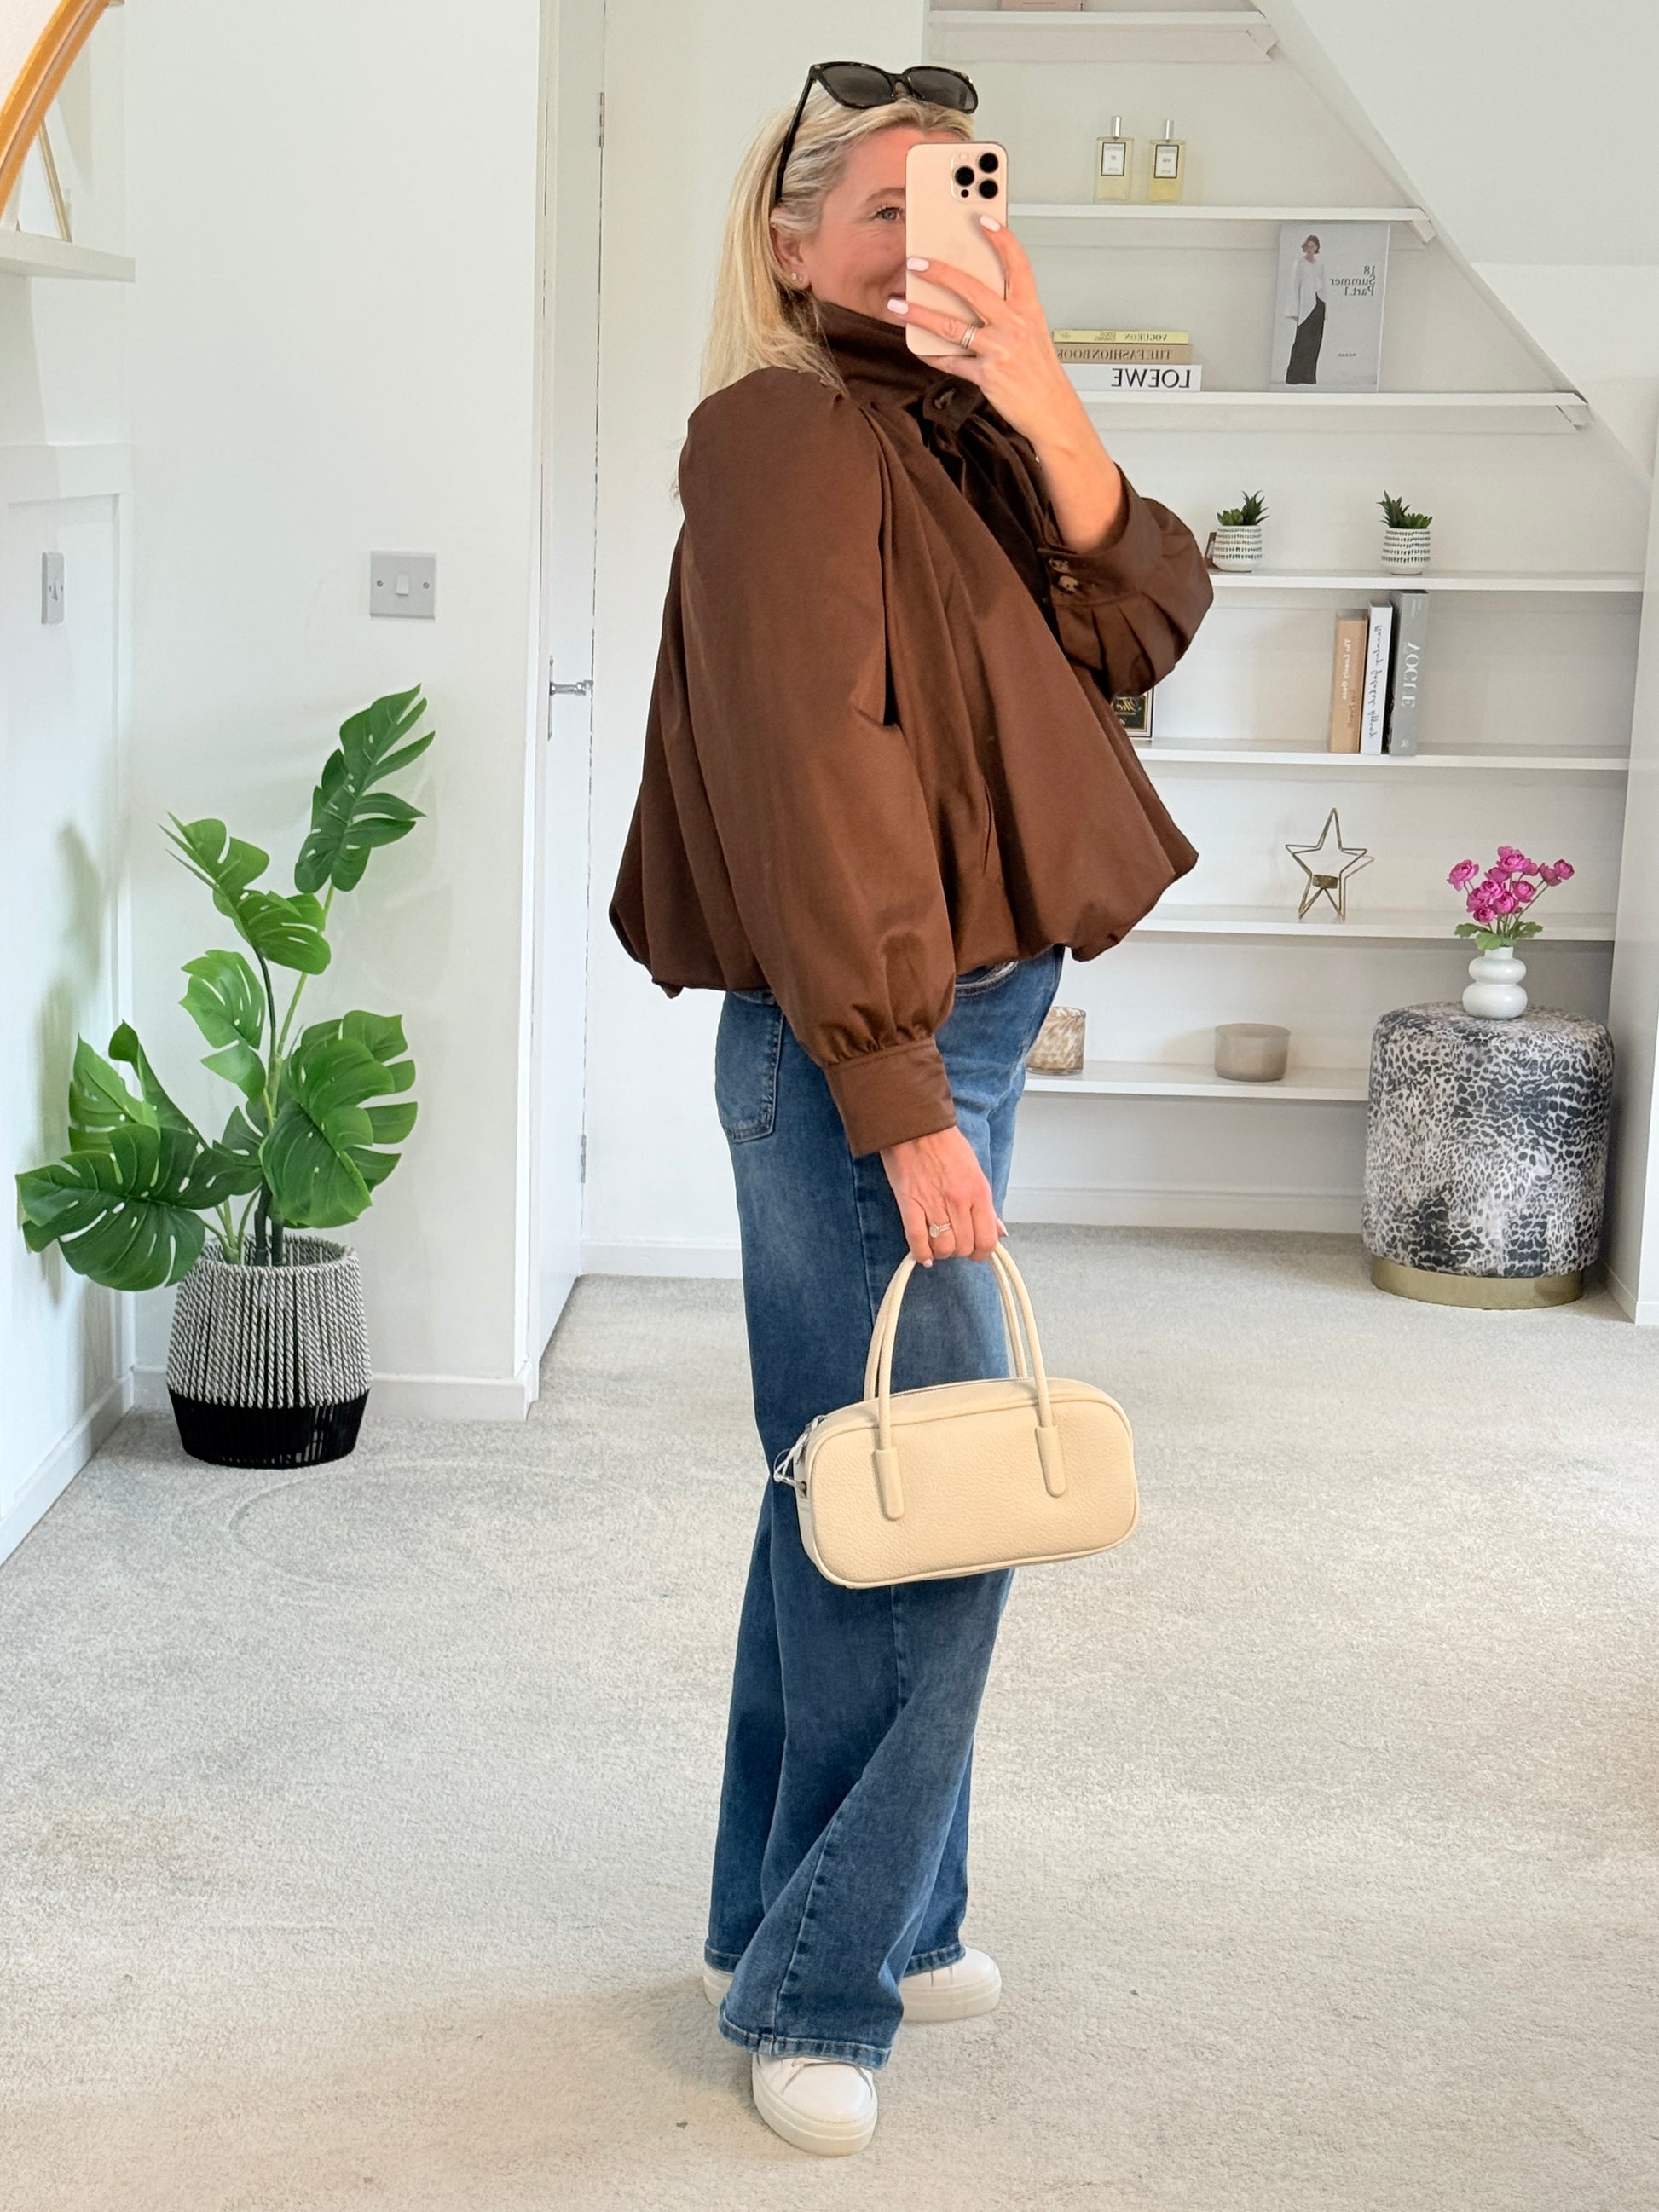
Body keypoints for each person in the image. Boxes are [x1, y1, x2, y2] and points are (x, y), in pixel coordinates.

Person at [609, 61, 1211, 2158]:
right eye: (880, 210)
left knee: (844, 1477)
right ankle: (821, 1981)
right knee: (941, 1506)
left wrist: (1038, 388)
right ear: (788, 246)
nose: (925, 244)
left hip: (953, 1020)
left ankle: (799, 1914)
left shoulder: (953, 432)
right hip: (865, 1036)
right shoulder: (781, 436)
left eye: (962, 201)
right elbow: (818, 779)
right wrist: (899, 1092)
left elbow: (1147, 615)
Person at [1285, 230, 1328, 385]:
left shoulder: (1320, 265)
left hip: (1319, 305)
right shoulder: (1299, 264)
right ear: (1305, 247)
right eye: (1308, 246)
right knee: (1301, 342)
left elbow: (1324, 286)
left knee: (1315, 342)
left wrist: (1325, 307)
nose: (1310, 249)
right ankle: (1294, 376)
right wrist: (1294, 310)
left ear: (1317, 248)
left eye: (1313, 246)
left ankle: (1309, 376)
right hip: (1305, 307)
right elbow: (1294, 287)